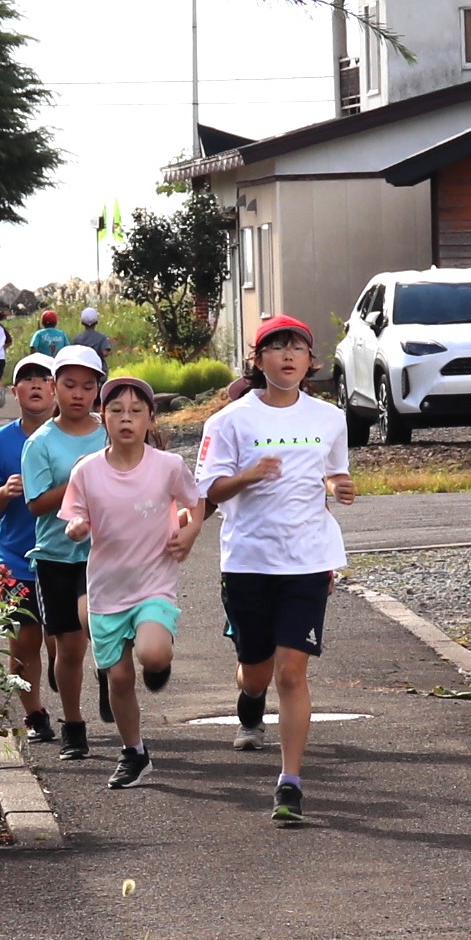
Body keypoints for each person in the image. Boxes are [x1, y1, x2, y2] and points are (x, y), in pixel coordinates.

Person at [194, 314, 355, 824]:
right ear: (258, 360)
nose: (287, 356)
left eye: (297, 348)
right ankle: (248, 695)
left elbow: (333, 471)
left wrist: (339, 488)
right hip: (248, 560)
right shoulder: (229, 421)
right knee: (256, 669)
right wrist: (248, 475)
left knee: (292, 670)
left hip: (309, 559)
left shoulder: (328, 418)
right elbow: (209, 493)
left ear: (311, 362)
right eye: (276, 348)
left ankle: (290, 783)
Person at [60, 375, 203, 789]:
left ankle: (159, 658)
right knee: (119, 679)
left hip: (153, 584)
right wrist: (76, 528)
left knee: (154, 654)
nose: (126, 419)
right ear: (102, 417)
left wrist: (189, 535)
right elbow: (75, 516)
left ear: (150, 419)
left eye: (136, 411)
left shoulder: (168, 466)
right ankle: (134, 752)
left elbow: (197, 503)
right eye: (117, 411)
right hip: (106, 590)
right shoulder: (86, 471)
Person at [20, 345, 110, 760]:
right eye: (69, 385)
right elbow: (36, 503)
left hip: (106, 551)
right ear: (55, 388)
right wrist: (80, 477)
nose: (78, 394)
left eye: (88, 386)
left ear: (98, 390)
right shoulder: (40, 442)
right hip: (56, 555)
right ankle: (73, 725)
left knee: (97, 625)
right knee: (68, 647)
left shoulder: (111, 430)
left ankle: (111, 673)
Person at [0, 353, 61, 743]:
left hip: (68, 556)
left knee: (62, 641)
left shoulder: (81, 436)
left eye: (45, 378)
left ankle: (67, 671)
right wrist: (5, 492)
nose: (37, 385)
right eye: (27, 379)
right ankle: (35, 713)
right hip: (17, 559)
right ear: (15, 391)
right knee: (25, 641)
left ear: (56, 389)